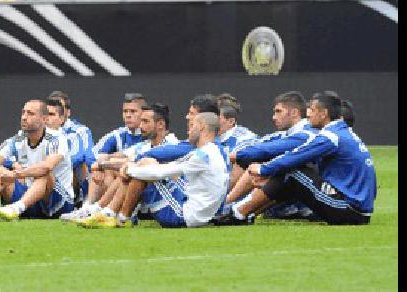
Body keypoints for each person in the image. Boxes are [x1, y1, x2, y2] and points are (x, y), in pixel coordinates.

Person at [216, 92, 377, 226]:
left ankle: (236, 213)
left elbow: (296, 156)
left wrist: (263, 170)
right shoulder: (341, 133)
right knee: (289, 171)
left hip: (350, 210)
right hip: (357, 208)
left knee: (292, 171)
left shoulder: (330, 136)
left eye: (312, 110)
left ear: (324, 113)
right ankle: (241, 213)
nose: (308, 114)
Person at [81, 112, 228, 229]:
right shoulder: (212, 151)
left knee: (145, 167)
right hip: (199, 210)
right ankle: (108, 212)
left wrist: (130, 170)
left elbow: (162, 172)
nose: (188, 130)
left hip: (185, 215)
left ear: (201, 127)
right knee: (145, 165)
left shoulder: (203, 154)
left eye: (192, 126)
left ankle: (115, 216)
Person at [68, 103, 178, 224]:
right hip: (150, 200)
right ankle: (95, 209)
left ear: (161, 124)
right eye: (141, 121)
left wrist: (101, 165)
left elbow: (133, 162)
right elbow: (117, 157)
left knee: (132, 170)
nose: (141, 126)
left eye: (145, 121)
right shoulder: (146, 145)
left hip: (169, 203)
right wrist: (102, 163)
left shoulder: (172, 144)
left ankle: (105, 211)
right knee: (119, 168)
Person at [0, 99, 73, 221]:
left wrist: (16, 174)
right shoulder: (17, 140)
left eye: (30, 114)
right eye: (23, 113)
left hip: (58, 202)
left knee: (43, 174)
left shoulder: (57, 139)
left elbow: (47, 167)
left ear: (44, 119)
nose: (24, 117)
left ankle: (16, 208)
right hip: (30, 198)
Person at [222, 91, 316, 221]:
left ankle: (226, 207)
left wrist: (231, 156)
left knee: (265, 167)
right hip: (302, 194)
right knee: (257, 163)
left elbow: (266, 150)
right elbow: (260, 145)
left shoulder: (307, 133)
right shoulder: (287, 133)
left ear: (294, 112)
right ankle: (233, 209)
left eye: (278, 111)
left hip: (322, 196)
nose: (274, 117)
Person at [70, 93, 147, 216]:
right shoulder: (117, 135)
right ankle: (88, 208)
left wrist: (105, 163)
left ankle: (105, 210)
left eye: (133, 111)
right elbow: (92, 156)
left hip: (143, 187)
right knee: (101, 166)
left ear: (144, 113)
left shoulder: (150, 136)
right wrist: (98, 166)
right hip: (121, 185)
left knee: (116, 167)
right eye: (125, 111)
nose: (128, 115)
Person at [48, 90, 94, 199]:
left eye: (60, 109)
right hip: (46, 173)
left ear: (68, 112)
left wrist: (56, 163)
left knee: (80, 164)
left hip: (71, 175)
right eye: (49, 111)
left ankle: (80, 200)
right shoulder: (40, 131)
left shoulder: (80, 131)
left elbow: (87, 156)